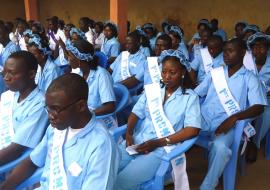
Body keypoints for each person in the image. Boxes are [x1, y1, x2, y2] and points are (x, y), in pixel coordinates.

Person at [0, 73, 119, 190]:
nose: (50, 116)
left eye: (56, 109)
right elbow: (32, 161)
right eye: (48, 108)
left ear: (81, 106)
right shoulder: (56, 128)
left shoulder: (101, 146)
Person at [115, 50, 201, 190]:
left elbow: (193, 129)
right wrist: (129, 133)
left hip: (162, 149)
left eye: (172, 73)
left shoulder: (190, 97)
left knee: (121, 182)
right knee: (106, 169)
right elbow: (136, 113)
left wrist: (158, 142)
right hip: (137, 141)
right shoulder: (153, 91)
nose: (167, 77)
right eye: (164, 72)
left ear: (183, 73)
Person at [195, 38, 267, 190]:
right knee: (176, 128)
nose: (225, 55)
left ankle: (208, 186)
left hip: (228, 125)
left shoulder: (250, 78)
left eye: (230, 51)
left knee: (220, 148)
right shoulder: (216, 73)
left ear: (241, 53)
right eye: (224, 51)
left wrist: (235, 117)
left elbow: (259, 107)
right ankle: (166, 171)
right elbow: (196, 93)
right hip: (203, 118)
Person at [0, 51, 48, 166]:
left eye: (12, 73)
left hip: (14, 161)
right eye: (4, 73)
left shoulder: (40, 104)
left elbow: (16, 149)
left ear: (31, 74)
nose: (6, 78)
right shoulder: (8, 95)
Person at [66, 38, 116, 115]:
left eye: (70, 56)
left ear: (79, 59)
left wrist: (87, 115)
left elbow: (110, 107)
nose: (68, 59)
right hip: (83, 115)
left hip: (100, 119)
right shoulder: (79, 73)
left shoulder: (102, 75)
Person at [245, 32, 270, 162]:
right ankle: (242, 139)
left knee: (266, 114)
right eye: (254, 47)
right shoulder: (247, 62)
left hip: (266, 98)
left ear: (268, 49)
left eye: (261, 47)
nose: (257, 50)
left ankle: (254, 144)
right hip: (247, 96)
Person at [0, 24, 20, 94]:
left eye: (0, 34)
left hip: (10, 84)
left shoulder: (12, 48)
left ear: (6, 34)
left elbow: (15, 69)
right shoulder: (4, 47)